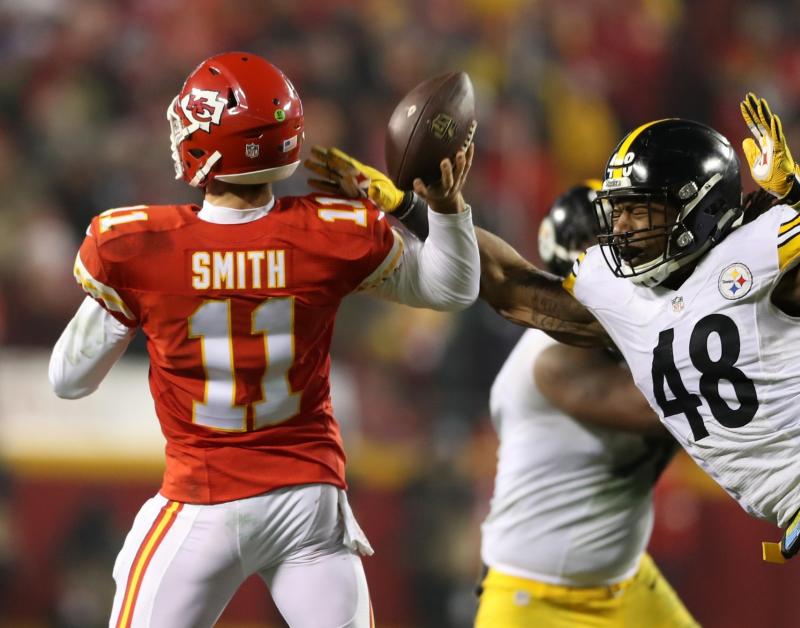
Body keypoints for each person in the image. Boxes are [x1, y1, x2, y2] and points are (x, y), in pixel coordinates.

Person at [470, 96, 800, 627]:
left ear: (696, 207)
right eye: (620, 210)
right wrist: (428, 213)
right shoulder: (616, 298)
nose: (625, 228)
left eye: (642, 210)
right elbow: (514, 290)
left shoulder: (758, 252)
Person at [47, 52, 480, 628]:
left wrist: (134, 303)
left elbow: (68, 381)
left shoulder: (138, 245)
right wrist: (444, 210)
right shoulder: (332, 231)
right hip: (308, 501)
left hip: (199, 500)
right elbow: (451, 287)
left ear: (208, 144)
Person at [475, 182, 696, 628]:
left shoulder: (625, 338)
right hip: (537, 601)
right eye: (615, 248)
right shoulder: (554, 359)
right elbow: (682, 408)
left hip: (627, 581)